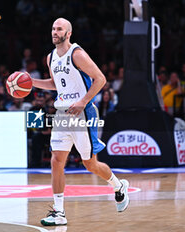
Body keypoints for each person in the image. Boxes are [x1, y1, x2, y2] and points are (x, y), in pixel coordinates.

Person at [31, 18, 130, 226]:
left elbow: (100, 79)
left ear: (68, 34)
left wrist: (83, 101)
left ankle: (118, 185)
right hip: (61, 114)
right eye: (53, 29)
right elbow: (56, 83)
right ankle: (59, 212)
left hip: (82, 114)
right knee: (56, 160)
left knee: (89, 163)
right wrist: (32, 82)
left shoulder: (77, 54)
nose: (55, 32)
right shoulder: (50, 58)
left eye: (59, 29)